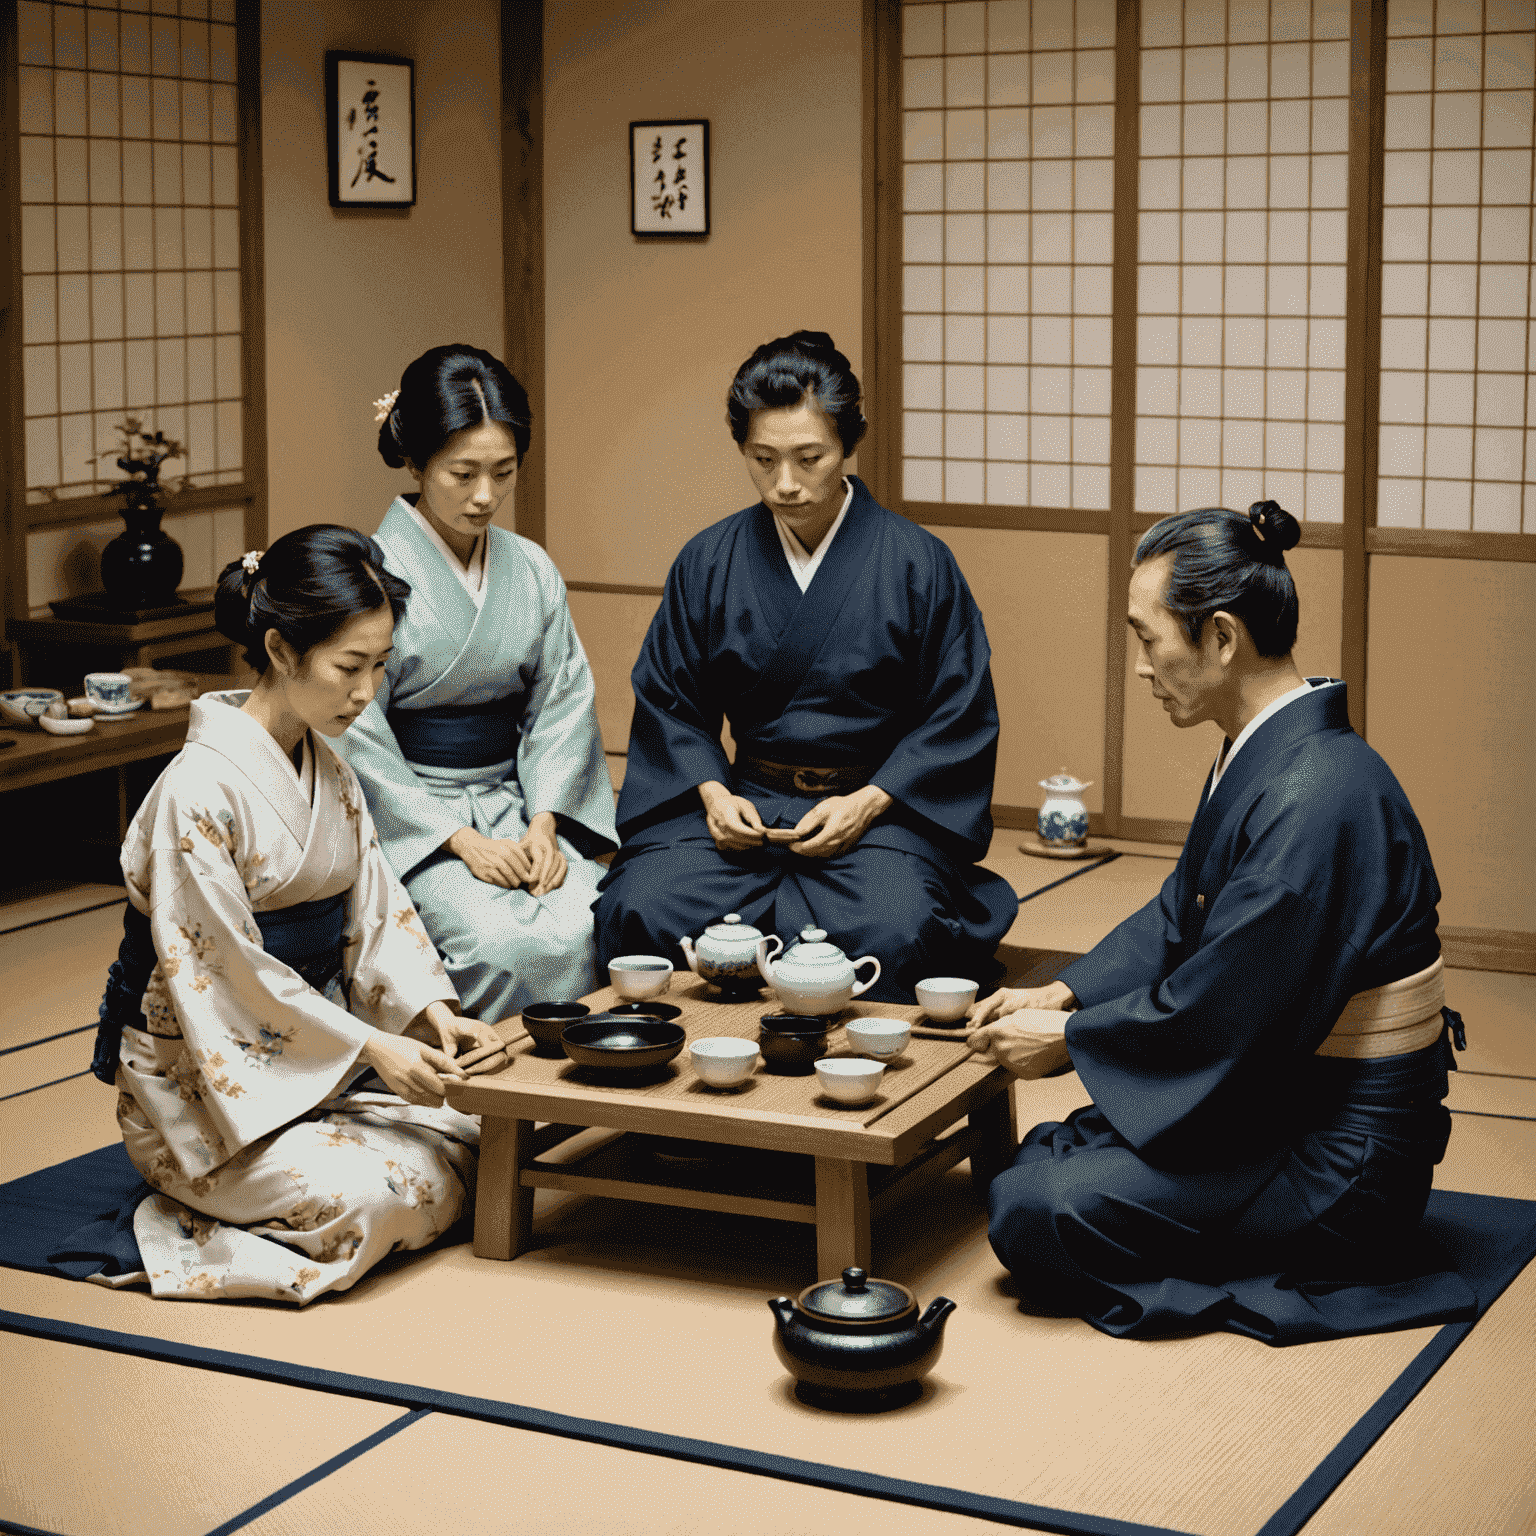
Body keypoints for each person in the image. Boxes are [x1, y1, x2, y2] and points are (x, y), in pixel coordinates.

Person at [967, 500, 1473, 1344]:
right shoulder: (1269, 750)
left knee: (1033, 1208)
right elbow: (1179, 912)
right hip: (1282, 1096)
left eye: (1146, 637)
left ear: (1223, 638)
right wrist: (1060, 991)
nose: (1141, 667)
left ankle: (1297, 1266)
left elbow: (1222, 1009)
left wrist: (1070, 1040)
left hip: (1342, 1155)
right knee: (1046, 1157)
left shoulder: (1320, 800)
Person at [87, 527, 507, 1303]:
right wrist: (376, 1046)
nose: (366, 691)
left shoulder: (331, 770)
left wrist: (434, 1015)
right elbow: (223, 976)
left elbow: (378, 913)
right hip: (202, 1093)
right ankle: (179, 1217)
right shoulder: (194, 794)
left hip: (314, 1069)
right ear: (281, 650)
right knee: (373, 1198)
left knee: (493, 1141)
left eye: (380, 666)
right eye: (350, 666)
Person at [594, 330, 1016, 1002]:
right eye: (763, 459)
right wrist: (711, 793)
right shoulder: (709, 560)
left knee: (896, 928)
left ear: (850, 443)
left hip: (878, 815)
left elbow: (957, 714)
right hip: (746, 812)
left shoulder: (917, 563)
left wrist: (869, 802)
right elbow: (672, 701)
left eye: (808, 458)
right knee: (641, 906)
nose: (784, 483)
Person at [338, 345, 616, 1023]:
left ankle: (583, 1099)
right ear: (416, 463)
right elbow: (357, 731)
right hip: (414, 817)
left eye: (503, 472)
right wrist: (458, 841)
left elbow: (562, 706)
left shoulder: (532, 568)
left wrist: (547, 824)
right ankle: (486, 1108)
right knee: (501, 943)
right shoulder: (371, 577)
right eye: (462, 473)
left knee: (599, 917)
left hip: (520, 802)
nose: (485, 496)